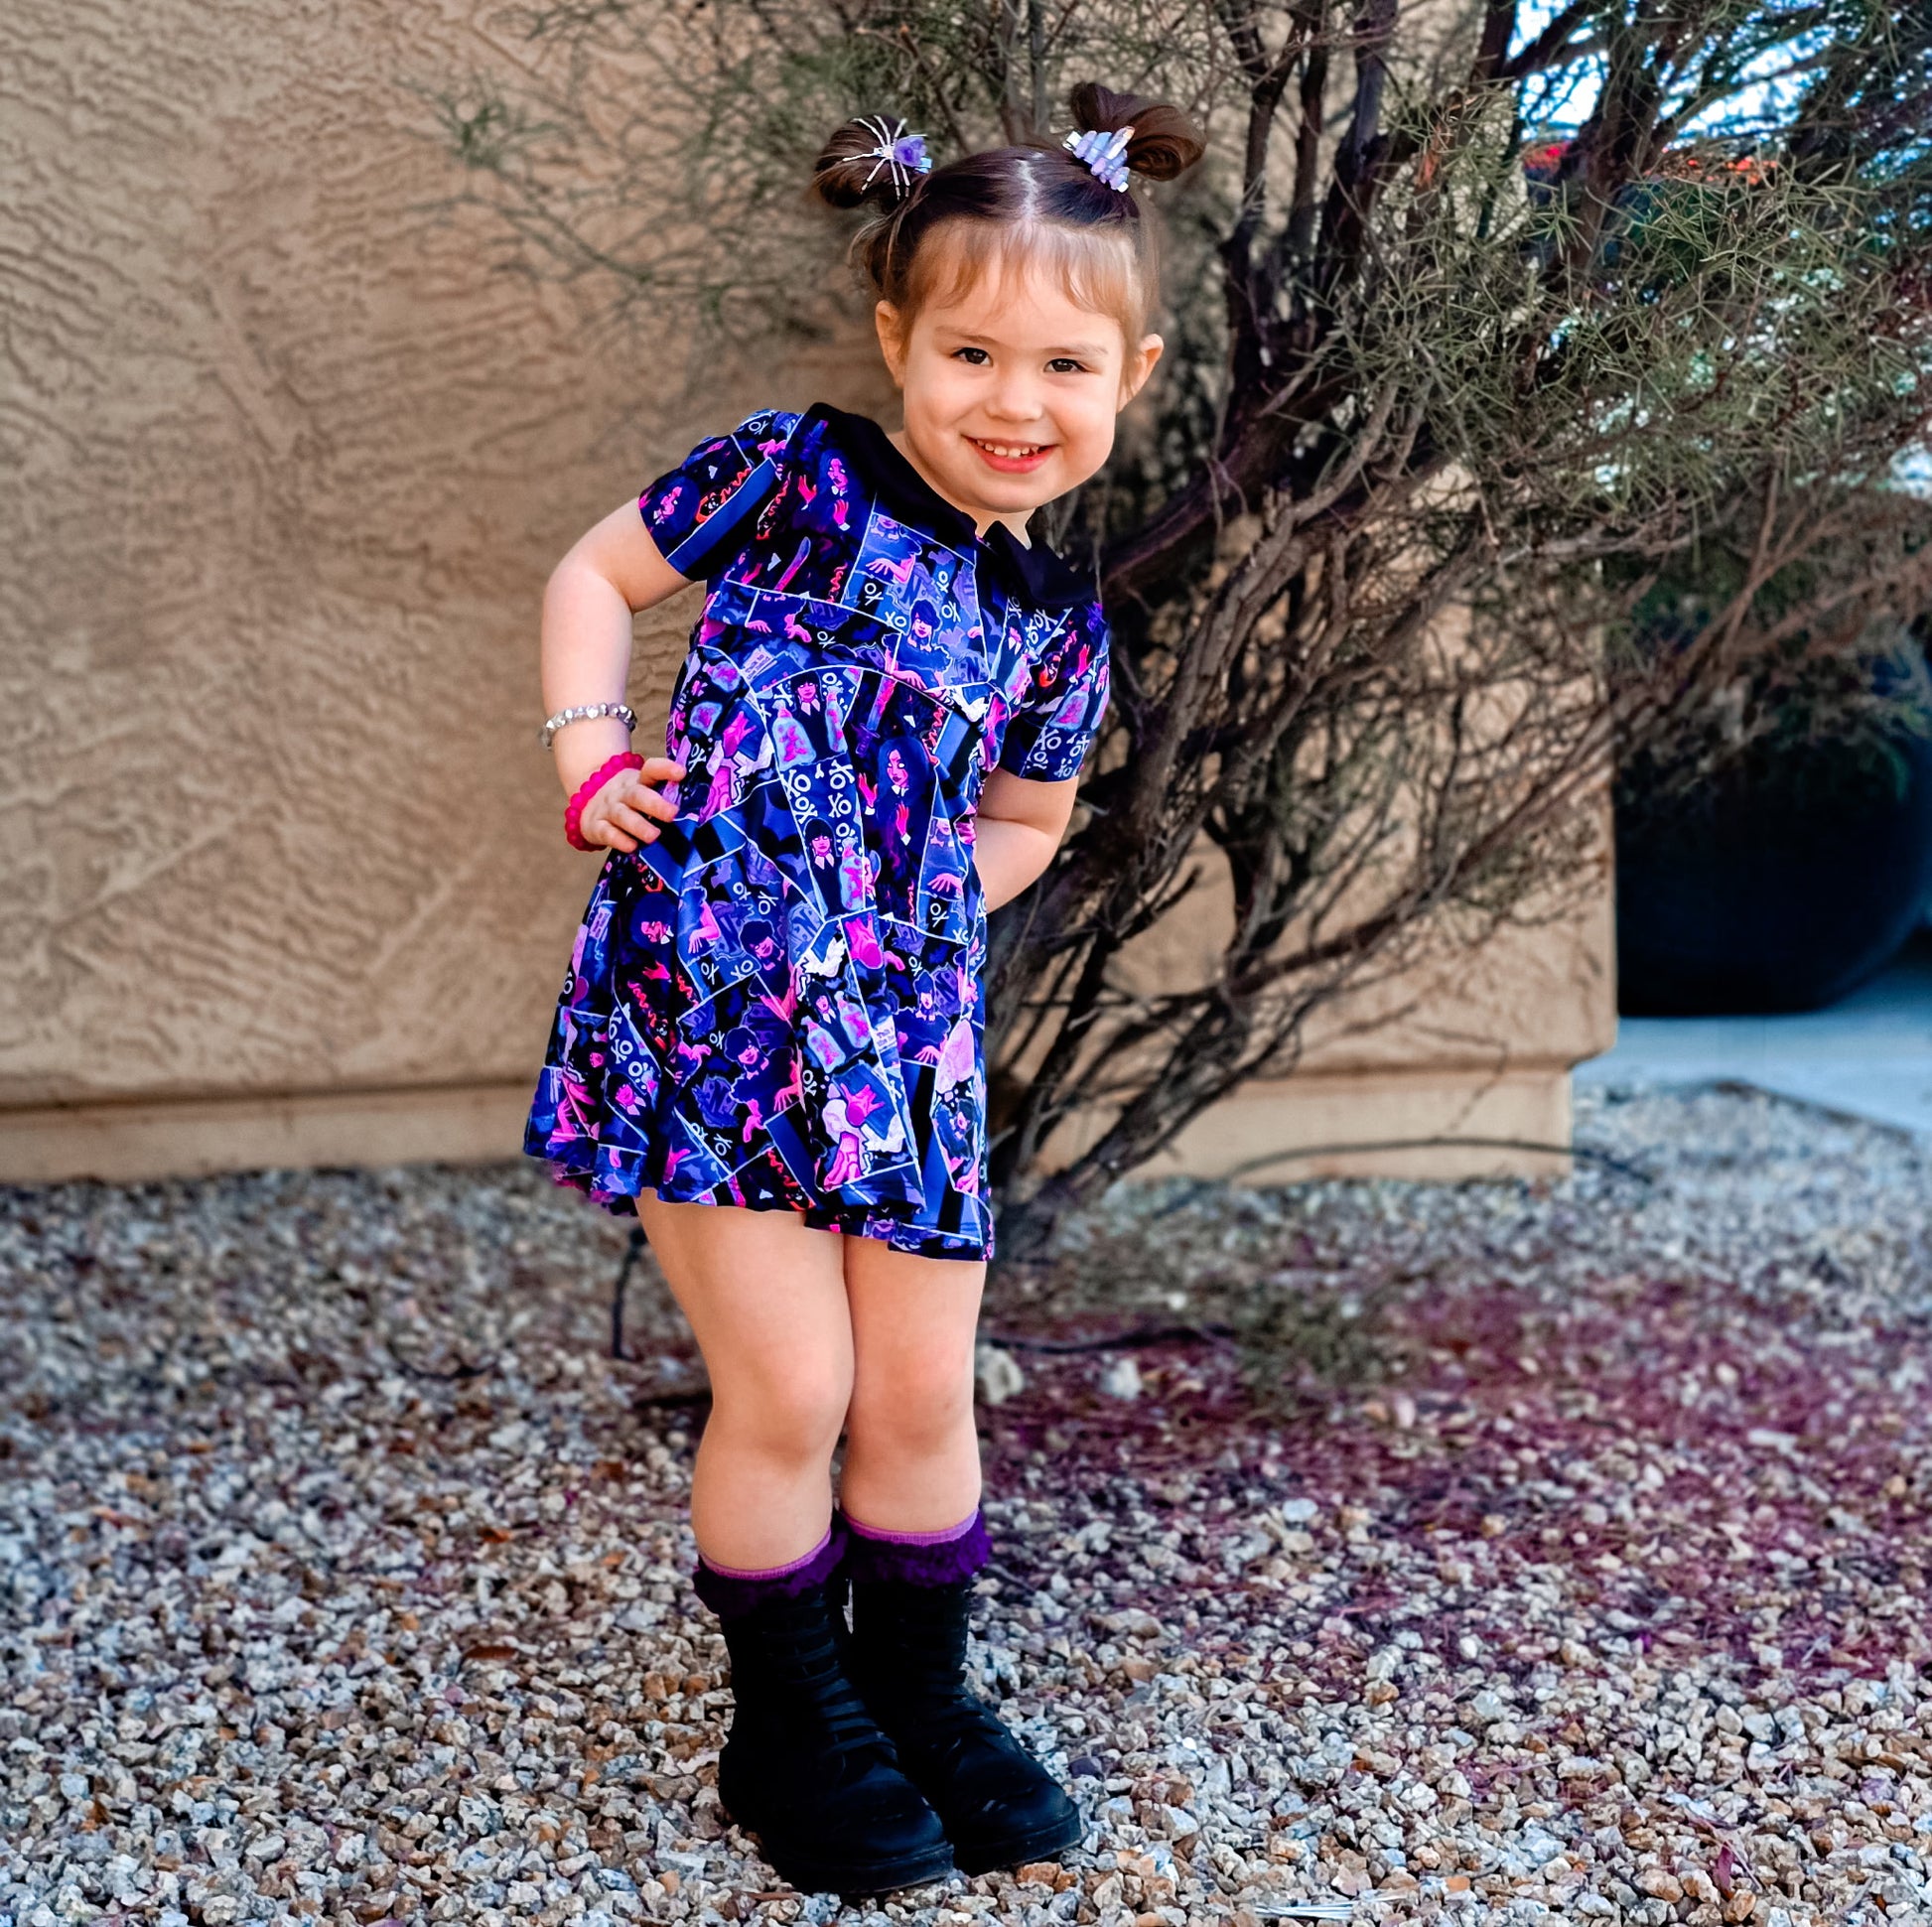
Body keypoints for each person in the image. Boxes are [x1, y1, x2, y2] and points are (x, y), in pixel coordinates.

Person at [525, 81, 1203, 1898]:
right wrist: (592, 754)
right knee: (793, 1388)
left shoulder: (1053, 623)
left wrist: (915, 899)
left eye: (1064, 365)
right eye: (971, 351)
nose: (1013, 399)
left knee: (915, 1397)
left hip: (898, 1042)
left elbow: (1030, 818)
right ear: (898, 340)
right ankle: (789, 1722)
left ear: (1128, 379)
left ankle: (917, 1694)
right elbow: (594, 573)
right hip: (709, 1007)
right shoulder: (792, 474)